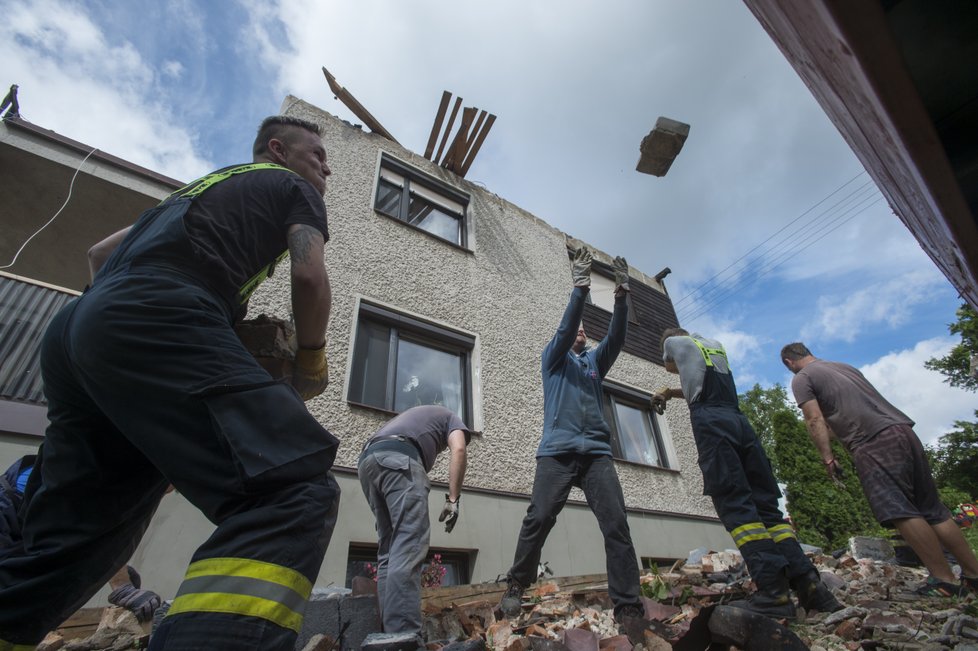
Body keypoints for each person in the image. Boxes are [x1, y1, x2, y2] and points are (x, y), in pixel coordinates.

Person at [0, 115, 341, 650]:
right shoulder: (291, 186)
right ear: (277, 150)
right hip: (154, 310)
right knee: (290, 486)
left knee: (75, 539)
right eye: (318, 154)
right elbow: (309, 275)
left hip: (74, 331)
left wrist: (115, 335)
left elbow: (97, 255)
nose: (326, 167)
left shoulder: (186, 199)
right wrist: (312, 360)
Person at [499, 247, 648, 638]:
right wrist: (579, 290)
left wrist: (621, 295)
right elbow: (565, 329)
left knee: (616, 524)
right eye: (575, 329)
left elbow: (615, 336)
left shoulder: (594, 366)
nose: (580, 330)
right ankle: (517, 583)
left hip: (597, 454)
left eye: (585, 329)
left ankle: (629, 607)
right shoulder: (554, 359)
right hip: (557, 453)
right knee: (540, 516)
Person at [653, 329, 841, 619]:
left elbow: (670, 365)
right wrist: (672, 392)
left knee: (737, 506)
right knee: (768, 512)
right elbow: (697, 380)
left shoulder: (673, 343)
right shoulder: (713, 346)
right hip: (738, 422)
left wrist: (666, 380)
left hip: (712, 424)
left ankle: (773, 593)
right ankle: (811, 587)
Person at [781, 342, 978, 597]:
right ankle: (973, 574)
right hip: (902, 430)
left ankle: (943, 579)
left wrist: (828, 458)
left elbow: (814, 418)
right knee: (933, 509)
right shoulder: (843, 367)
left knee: (899, 509)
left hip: (872, 442)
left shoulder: (802, 378)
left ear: (788, 362)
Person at [0, 455, 163, 623]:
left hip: (32, 515)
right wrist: (121, 586)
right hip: (11, 507)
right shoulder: (111, 475)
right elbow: (97, 535)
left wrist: (113, 568)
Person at [358, 405, 473, 639]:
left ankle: (386, 635)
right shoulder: (452, 419)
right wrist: (453, 499)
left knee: (389, 553)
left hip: (368, 462)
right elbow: (459, 449)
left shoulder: (417, 417)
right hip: (400, 460)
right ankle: (404, 636)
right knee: (409, 546)